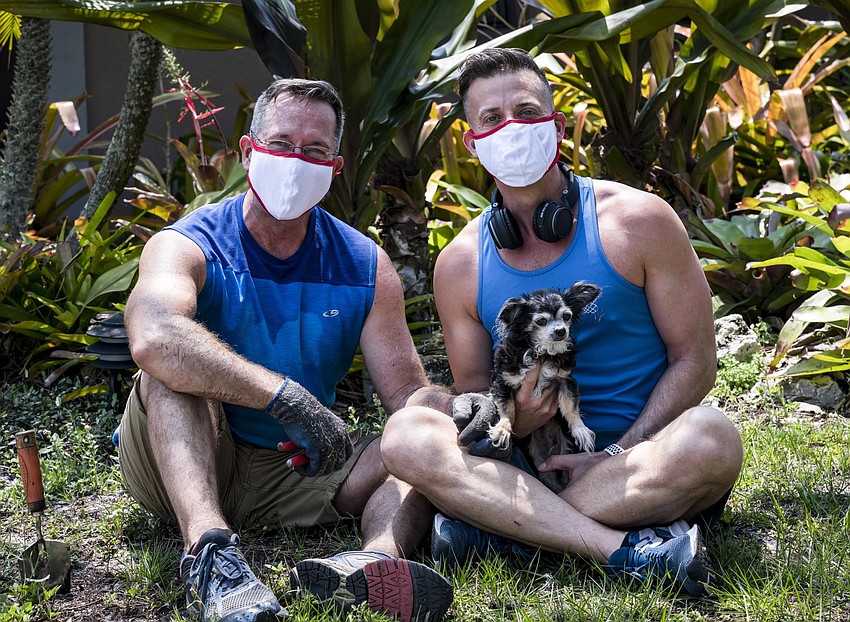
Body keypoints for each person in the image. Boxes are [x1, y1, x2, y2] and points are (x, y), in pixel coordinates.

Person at [380, 48, 743, 597]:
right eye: (491, 119)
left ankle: (506, 532)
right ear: (473, 143)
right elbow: (479, 392)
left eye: (527, 111)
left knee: (714, 437)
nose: (512, 128)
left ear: (557, 123)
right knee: (407, 433)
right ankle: (621, 546)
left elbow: (695, 360)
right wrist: (517, 424)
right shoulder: (459, 264)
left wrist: (616, 452)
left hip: (640, 461)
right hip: (526, 464)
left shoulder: (638, 220)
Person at [118, 78, 454, 622]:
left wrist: (450, 408)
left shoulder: (364, 265)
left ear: (335, 168)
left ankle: (370, 566)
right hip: (188, 455)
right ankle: (210, 554)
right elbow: (154, 337)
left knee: (417, 447)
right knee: (169, 370)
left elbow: (406, 394)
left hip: (298, 468)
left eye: (315, 150)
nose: (295, 161)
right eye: (280, 144)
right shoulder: (188, 243)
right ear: (250, 152)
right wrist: (286, 398)